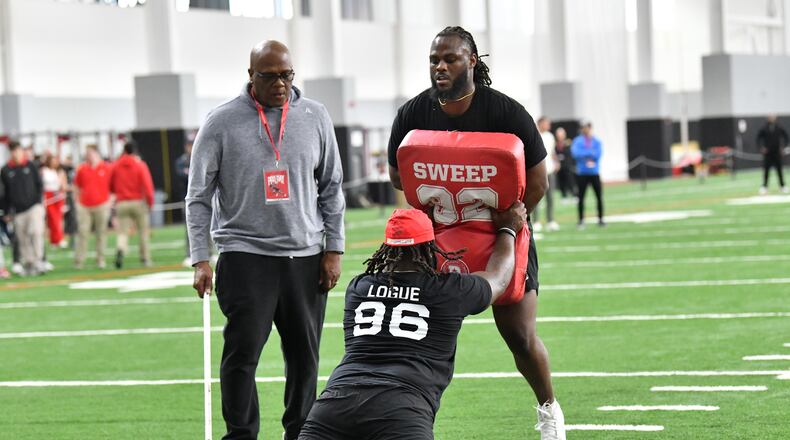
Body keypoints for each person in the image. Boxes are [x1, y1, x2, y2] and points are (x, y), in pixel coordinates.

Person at [387, 26, 565, 440]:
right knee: (423, 333)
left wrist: (512, 226)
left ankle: (548, 408)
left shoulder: (505, 112)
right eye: (434, 60)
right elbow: (399, 174)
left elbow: (538, 181)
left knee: (519, 336)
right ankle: (412, 415)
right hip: (440, 237)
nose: (440, 67)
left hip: (500, 231)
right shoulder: (413, 113)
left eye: (449, 59)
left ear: (472, 61)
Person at [187, 40, 345, 440]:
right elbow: (198, 195)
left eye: (287, 75)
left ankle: (301, 433)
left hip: (306, 258)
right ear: (250, 75)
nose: (280, 84)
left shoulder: (315, 115)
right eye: (270, 76)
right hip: (245, 257)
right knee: (241, 357)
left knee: (304, 361)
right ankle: (241, 435)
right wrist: (200, 258)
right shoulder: (220, 122)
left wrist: (334, 249)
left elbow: (332, 187)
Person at [299, 204, 529, 439]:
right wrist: (508, 229)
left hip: (334, 403)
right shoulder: (449, 290)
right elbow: (499, 279)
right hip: (401, 407)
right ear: (431, 246)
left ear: (386, 247)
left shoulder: (359, 287)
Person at [0, 141, 45, 276]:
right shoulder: (6, 169)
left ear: (21, 151)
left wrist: (39, 202)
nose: (16, 153)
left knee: (36, 232)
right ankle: (29, 263)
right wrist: (6, 211)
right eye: (13, 151)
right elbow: (4, 193)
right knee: (22, 238)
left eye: (18, 150)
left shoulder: (31, 165)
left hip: (33, 207)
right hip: (17, 210)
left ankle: (38, 261)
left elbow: (39, 185)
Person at [109, 141, 154, 269]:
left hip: (122, 202)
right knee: (143, 232)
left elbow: (110, 183)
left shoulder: (116, 165)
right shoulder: (140, 165)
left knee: (122, 232)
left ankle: (120, 250)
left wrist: (116, 193)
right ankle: (145, 258)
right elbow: (147, 185)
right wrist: (150, 202)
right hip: (138, 201)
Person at [73, 144, 112, 269]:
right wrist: (77, 202)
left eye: (90, 153)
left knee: (101, 233)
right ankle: (79, 260)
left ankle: (100, 259)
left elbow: (114, 185)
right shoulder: (82, 169)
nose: (88, 156)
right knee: (83, 233)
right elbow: (76, 186)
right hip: (84, 206)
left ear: (96, 153)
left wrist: (110, 201)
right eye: (87, 153)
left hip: (101, 204)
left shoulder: (106, 168)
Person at [571, 120, 604, 228]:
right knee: (581, 197)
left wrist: (585, 153)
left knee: (599, 197)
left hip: (594, 172)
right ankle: (581, 220)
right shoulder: (578, 141)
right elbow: (576, 153)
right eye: (584, 127)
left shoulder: (597, 141)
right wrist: (590, 153)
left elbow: (598, 154)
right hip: (582, 173)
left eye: (588, 127)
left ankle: (601, 219)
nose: (586, 129)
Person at [533, 116, 559, 232]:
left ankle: (550, 220)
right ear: (540, 123)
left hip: (550, 169)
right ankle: (536, 221)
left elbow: (552, 151)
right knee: (536, 196)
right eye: (546, 123)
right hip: (538, 171)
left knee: (551, 197)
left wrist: (556, 161)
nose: (548, 125)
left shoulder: (550, 136)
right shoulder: (535, 134)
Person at [41, 153, 69, 248]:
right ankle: (54, 239)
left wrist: (62, 182)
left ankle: (59, 239)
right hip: (48, 196)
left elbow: (64, 186)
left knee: (58, 219)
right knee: (52, 219)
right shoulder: (44, 171)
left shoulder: (60, 172)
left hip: (58, 196)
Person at [756, 114, 788, 194]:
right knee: (766, 171)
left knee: (779, 170)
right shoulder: (764, 128)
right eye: (770, 117)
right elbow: (758, 138)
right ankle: (764, 186)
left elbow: (786, 136)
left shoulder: (779, 127)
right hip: (768, 153)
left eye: (773, 117)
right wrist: (761, 147)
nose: (772, 118)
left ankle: (782, 186)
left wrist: (783, 147)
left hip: (777, 152)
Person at [554, 127, 576, 200]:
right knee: (561, 181)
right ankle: (564, 196)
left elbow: (570, 154)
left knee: (570, 181)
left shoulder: (568, 142)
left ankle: (574, 195)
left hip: (567, 165)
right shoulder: (556, 144)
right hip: (560, 166)